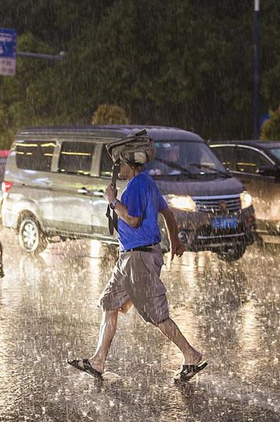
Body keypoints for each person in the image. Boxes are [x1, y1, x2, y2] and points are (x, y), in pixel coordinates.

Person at [67, 151, 207, 383]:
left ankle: (190, 354)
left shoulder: (138, 185)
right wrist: (174, 242)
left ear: (131, 164)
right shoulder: (145, 183)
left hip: (139, 258)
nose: (117, 169)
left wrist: (112, 200)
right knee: (110, 303)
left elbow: (133, 219)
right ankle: (98, 361)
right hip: (129, 258)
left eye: (120, 164)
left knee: (157, 315)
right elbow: (168, 214)